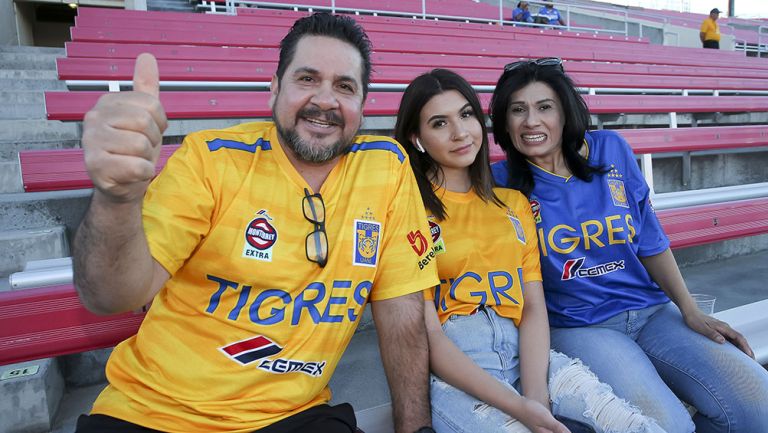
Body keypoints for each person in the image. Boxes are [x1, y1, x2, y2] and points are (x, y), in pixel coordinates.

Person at [72, 13, 440, 433]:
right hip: (153, 412)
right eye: (306, 79)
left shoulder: (387, 168)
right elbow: (111, 296)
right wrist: (116, 198)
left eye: (344, 86)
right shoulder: (209, 159)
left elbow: (401, 309)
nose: (325, 100)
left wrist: (417, 431)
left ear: (362, 104)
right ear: (274, 88)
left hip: (295, 417)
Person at [490, 57, 768, 433]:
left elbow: (649, 239)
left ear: (565, 112)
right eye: (517, 110)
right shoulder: (499, 183)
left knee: (757, 402)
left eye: (544, 107)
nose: (531, 121)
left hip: (651, 312)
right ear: (504, 122)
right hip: (581, 327)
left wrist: (689, 308)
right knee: (666, 426)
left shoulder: (611, 150)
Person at [394, 68, 666, 433]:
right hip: (461, 373)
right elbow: (430, 339)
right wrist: (523, 409)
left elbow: (533, 306)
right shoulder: (408, 214)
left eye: (466, 115)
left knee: (637, 426)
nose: (460, 133)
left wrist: (536, 396)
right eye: (440, 123)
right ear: (417, 138)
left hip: (532, 358)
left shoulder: (514, 203)